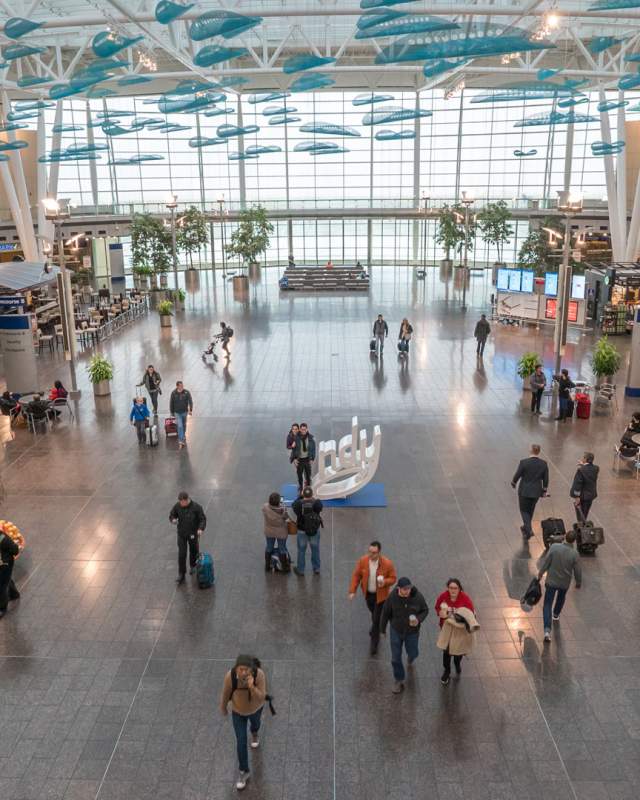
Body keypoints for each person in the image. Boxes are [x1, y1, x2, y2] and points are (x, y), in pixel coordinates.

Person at [220, 655, 267, 791]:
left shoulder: (259, 675)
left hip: (255, 709)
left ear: (252, 669)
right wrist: (223, 707)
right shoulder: (230, 676)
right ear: (236, 668)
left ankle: (255, 732)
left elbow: (261, 697)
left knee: (256, 724)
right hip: (238, 712)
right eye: (241, 669)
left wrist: (252, 687)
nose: (243, 673)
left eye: (246, 669)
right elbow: (225, 693)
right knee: (241, 740)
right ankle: (244, 771)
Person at [380, 577, 429, 694]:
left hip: (412, 632)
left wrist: (418, 619)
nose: (407, 591)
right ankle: (399, 680)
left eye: (409, 588)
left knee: (413, 652)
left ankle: (411, 657)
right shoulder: (392, 597)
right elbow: (385, 613)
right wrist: (382, 630)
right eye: (404, 589)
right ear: (398, 589)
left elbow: (425, 610)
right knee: (395, 657)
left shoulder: (417, 596)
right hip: (396, 630)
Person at [348, 541, 397, 655]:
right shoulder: (363, 561)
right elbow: (356, 575)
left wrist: (384, 582)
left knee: (375, 620)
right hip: (368, 595)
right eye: (369, 551)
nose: (371, 554)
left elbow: (393, 578)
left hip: (381, 597)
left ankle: (374, 643)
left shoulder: (387, 563)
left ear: (379, 552)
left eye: (374, 552)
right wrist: (352, 591)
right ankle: (377, 624)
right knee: (374, 614)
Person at [537, 529, 582, 642]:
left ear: (564, 537)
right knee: (561, 598)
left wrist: (541, 573)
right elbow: (577, 570)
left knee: (547, 604)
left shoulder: (554, 547)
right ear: (574, 541)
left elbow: (547, 562)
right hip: (564, 583)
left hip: (551, 581)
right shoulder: (574, 554)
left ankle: (547, 631)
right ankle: (556, 614)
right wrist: (578, 582)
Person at [434, 579, 476, 685]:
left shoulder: (465, 598)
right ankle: (447, 671)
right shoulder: (443, 596)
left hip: (459, 630)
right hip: (446, 629)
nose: (453, 590)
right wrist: (440, 613)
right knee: (446, 652)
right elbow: (437, 607)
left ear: (459, 588)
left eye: (455, 588)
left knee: (458, 651)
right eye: (450, 588)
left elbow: (471, 613)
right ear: (448, 588)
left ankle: (457, 663)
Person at [511, 444, 549, 540]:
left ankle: (529, 529)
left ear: (531, 451)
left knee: (523, 510)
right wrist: (544, 490)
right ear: (538, 452)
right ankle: (525, 528)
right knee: (530, 510)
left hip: (524, 491)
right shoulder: (544, 464)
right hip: (536, 492)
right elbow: (546, 479)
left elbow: (518, 474)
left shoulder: (524, 462)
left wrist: (513, 482)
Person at [169, 491, 206, 583]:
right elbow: (172, 514)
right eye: (180, 502)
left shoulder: (197, 507)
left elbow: (202, 519)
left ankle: (193, 565)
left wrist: (200, 528)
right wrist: (173, 519)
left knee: (193, 550)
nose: (181, 504)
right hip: (181, 534)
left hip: (193, 533)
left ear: (187, 500)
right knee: (182, 554)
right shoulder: (177, 506)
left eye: (182, 502)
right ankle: (181, 573)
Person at [292, 486, 323, 576]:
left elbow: (293, 505)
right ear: (312, 494)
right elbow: (320, 508)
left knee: (301, 550)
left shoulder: (299, 504)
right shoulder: (316, 503)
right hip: (314, 530)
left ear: (303, 494)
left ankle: (301, 570)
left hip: (302, 530)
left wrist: (300, 496)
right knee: (315, 549)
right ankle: (316, 568)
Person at [262, 492, 290, 572]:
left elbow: (266, 506)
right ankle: (284, 568)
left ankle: (267, 566)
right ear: (278, 502)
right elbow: (287, 518)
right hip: (281, 532)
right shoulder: (283, 509)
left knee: (269, 547)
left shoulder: (265, 507)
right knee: (282, 549)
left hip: (269, 531)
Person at [570, 452, 599, 521]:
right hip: (591, 495)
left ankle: (582, 528)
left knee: (580, 515)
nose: (582, 458)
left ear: (585, 459)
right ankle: (583, 525)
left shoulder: (581, 470)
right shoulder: (596, 468)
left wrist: (576, 497)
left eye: (583, 457)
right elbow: (589, 470)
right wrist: (583, 465)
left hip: (582, 496)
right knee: (585, 513)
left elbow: (577, 484)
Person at [0, 529, 20, 619]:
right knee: (6, 580)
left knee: (1, 586)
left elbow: (15, 550)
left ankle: (2, 608)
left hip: (5, 565)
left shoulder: (3, 539)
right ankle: (14, 594)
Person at [291, 423, 316, 493]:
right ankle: (301, 488)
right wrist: (294, 459)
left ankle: (308, 489)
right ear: (300, 429)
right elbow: (293, 450)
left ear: (307, 429)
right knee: (299, 475)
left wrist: (312, 458)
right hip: (300, 459)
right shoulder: (296, 438)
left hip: (307, 459)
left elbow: (313, 449)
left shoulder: (311, 438)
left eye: (304, 429)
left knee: (308, 474)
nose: (303, 431)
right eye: (302, 430)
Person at [169, 381, 193, 449]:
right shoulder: (173, 393)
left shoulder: (186, 392)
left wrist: (190, 410)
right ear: (177, 386)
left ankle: (183, 435)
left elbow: (190, 401)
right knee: (180, 426)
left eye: (182, 386)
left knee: (184, 425)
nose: (182, 387)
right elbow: (171, 402)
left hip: (184, 412)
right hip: (177, 413)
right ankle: (181, 440)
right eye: (180, 386)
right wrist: (171, 412)